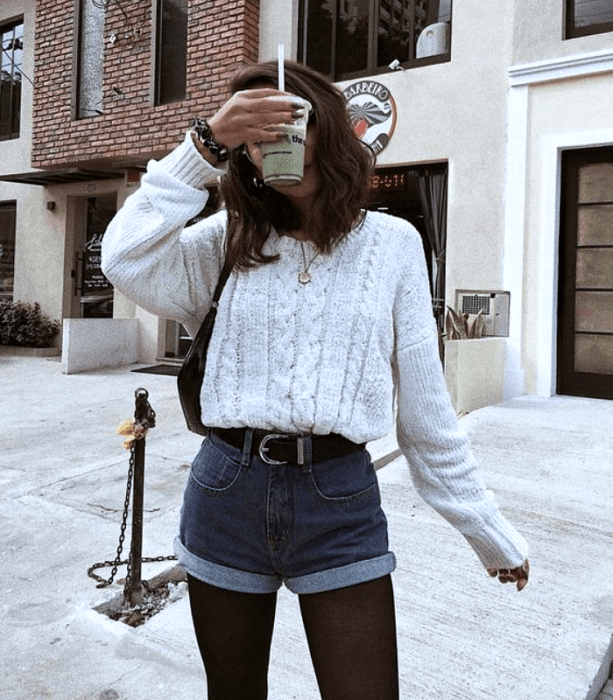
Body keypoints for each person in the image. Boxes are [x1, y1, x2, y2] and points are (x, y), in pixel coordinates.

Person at [101, 60, 529, 700]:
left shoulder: (393, 244)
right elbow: (124, 259)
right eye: (255, 135)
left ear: (328, 127)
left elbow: (425, 408)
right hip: (226, 491)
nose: (277, 144)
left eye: (291, 124)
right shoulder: (227, 240)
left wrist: (481, 524)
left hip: (339, 498)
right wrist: (201, 148)